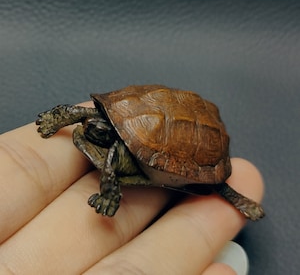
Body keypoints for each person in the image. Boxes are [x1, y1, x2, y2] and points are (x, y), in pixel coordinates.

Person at [0, 114, 264, 274]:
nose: (90, 128)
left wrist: (109, 195)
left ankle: (238, 199)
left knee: (208, 183)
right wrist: (56, 121)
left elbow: (112, 161)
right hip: (137, 121)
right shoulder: (96, 126)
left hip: (180, 143)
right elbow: (84, 116)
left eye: (99, 132)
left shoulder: (116, 153)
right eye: (93, 126)